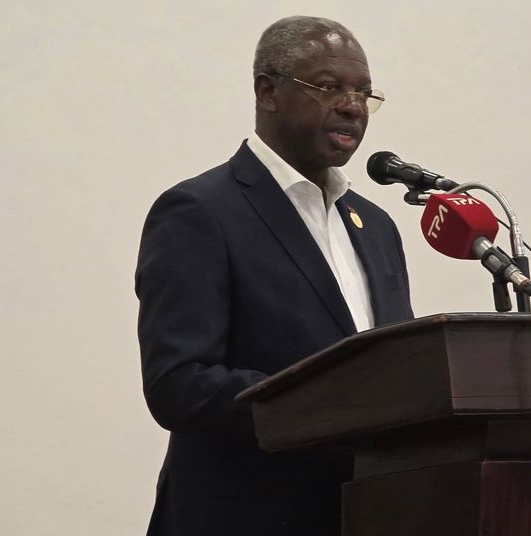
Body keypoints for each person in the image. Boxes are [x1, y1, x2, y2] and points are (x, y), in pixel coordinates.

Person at [134, 16, 414, 536]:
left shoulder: (376, 226)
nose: (353, 107)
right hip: (244, 516)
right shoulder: (200, 212)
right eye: (329, 87)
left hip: (366, 511)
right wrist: (335, 405)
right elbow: (179, 384)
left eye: (364, 93)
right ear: (268, 91)